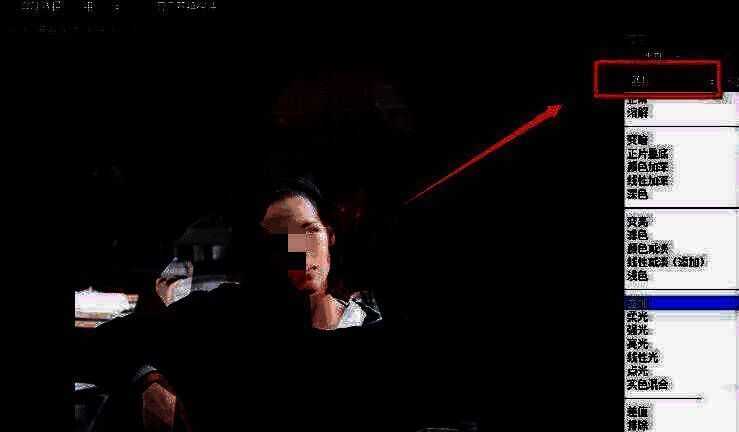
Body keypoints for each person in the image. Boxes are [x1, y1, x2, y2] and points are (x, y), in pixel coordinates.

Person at [74, 175, 390, 431]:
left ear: (329, 236)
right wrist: (148, 380)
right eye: (280, 242)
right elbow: (99, 345)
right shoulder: (227, 314)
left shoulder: (373, 333)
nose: (299, 253)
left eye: (308, 232)